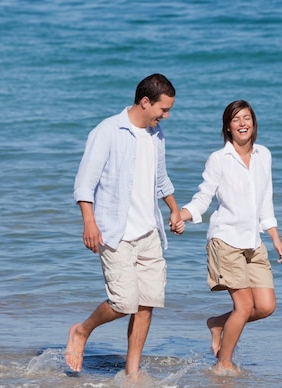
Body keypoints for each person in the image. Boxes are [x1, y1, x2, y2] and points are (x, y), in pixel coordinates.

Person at [65, 73, 185, 377]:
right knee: (123, 302)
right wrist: (88, 223)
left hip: (149, 233)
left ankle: (132, 373)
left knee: (147, 304)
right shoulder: (107, 132)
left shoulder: (156, 135)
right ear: (145, 102)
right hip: (114, 233)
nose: (166, 116)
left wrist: (173, 210)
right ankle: (81, 330)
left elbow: (161, 180)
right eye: (163, 109)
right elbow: (84, 184)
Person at [180, 99, 282, 375]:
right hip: (225, 240)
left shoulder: (264, 155)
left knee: (265, 306)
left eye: (247, 118)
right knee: (244, 306)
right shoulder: (219, 159)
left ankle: (218, 324)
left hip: (253, 241)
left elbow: (266, 200)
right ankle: (223, 366)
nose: (243, 123)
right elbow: (203, 197)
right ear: (228, 127)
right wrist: (183, 214)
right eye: (236, 119)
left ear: (254, 123)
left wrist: (274, 236)